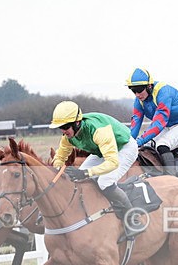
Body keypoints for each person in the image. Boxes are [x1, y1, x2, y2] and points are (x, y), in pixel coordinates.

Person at [49, 100, 141, 241]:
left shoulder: (98, 130)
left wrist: (87, 173)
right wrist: (56, 171)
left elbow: (112, 162)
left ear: (77, 122)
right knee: (77, 178)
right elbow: (59, 157)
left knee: (105, 181)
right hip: (101, 151)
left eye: (65, 127)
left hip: (124, 147)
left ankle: (133, 219)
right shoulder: (67, 137)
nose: (63, 131)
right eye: (60, 127)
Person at [125, 67, 178, 175]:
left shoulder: (163, 92)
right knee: (147, 147)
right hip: (168, 127)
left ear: (149, 86)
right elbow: (135, 123)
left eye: (139, 89)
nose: (137, 94)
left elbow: (159, 123)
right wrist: (129, 142)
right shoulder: (138, 100)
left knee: (162, 145)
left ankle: (171, 179)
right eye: (133, 90)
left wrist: (139, 141)